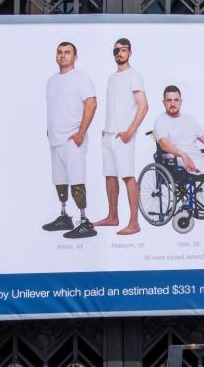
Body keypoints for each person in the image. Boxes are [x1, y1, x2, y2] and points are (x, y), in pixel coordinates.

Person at [92, 38, 149, 235]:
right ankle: (112, 216)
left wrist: (129, 131)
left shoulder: (134, 75)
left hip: (124, 135)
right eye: (117, 50)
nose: (120, 53)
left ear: (130, 53)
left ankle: (134, 223)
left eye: (124, 50)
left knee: (127, 176)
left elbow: (143, 106)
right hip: (109, 134)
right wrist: (106, 129)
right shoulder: (111, 77)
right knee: (109, 175)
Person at [42, 41, 98, 239]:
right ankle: (65, 216)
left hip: (73, 139)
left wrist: (81, 132)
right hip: (55, 140)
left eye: (67, 52)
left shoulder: (80, 78)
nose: (63, 55)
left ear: (75, 56)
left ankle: (85, 221)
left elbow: (91, 103)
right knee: (59, 179)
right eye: (59, 52)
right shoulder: (52, 80)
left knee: (77, 180)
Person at [153, 85, 204, 177]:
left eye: (176, 100)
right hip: (177, 160)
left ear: (181, 102)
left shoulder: (189, 119)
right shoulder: (160, 121)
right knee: (193, 168)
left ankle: (203, 173)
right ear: (164, 102)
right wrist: (183, 155)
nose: (172, 104)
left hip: (198, 158)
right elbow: (164, 144)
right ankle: (197, 172)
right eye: (169, 100)